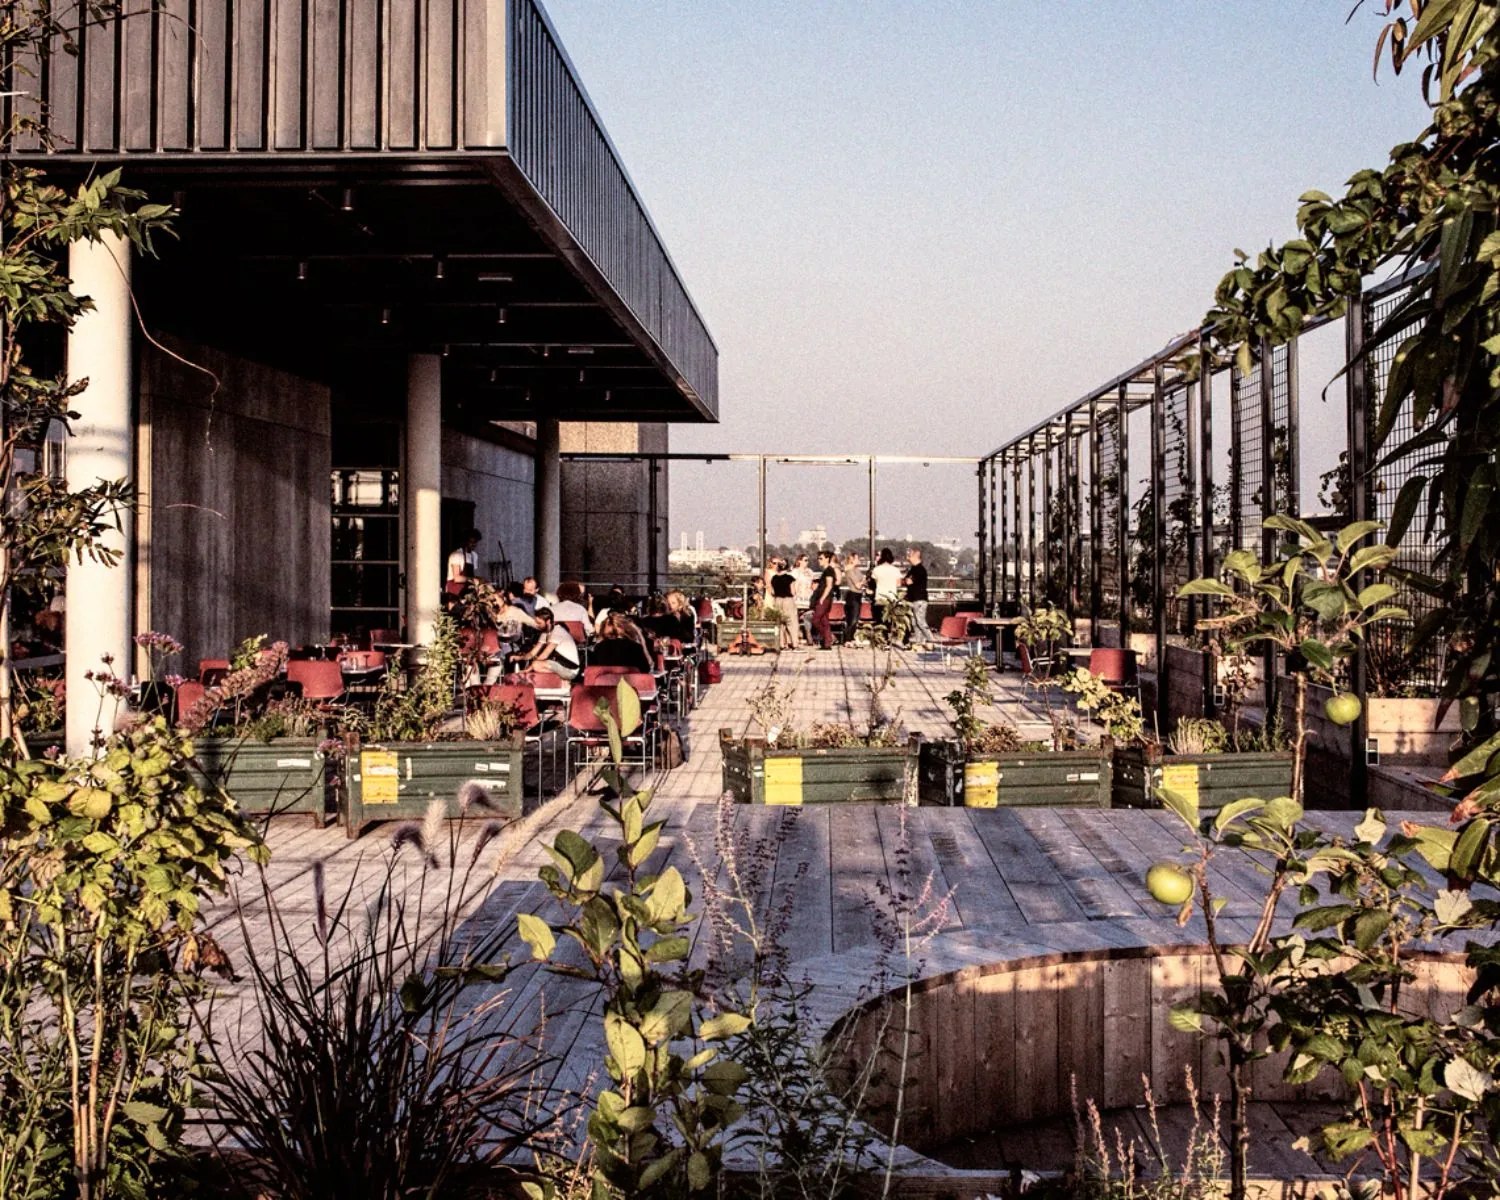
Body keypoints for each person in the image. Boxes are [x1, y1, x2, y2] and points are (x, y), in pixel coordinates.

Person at [517, 608, 580, 682]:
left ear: (548, 621)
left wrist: (528, 670)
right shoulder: (545, 633)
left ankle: (563, 680)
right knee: (536, 664)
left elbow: (545, 655)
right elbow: (532, 653)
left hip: (570, 669)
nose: (537, 625)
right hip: (558, 664)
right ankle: (561, 680)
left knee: (536, 665)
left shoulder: (557, 631)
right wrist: (519, 658)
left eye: (539, 623)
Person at [591, 612, 655, 672]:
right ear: (625, 628)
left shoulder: (598, 648)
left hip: (606, 680)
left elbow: (593, 670)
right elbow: (645, 669)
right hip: (629, 680)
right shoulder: (635, 647)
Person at [903, 546, 934, 646]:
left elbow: (908, 581)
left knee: (920, 621)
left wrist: (906, 581)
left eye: (910, 555)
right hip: (913, 599)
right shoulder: (912, 569)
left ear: (917, 555)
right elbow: (905, 580)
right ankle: (919, 642)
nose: (908, 557)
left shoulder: (920, 570)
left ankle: (932, 640)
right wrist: (906, 581)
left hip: (919, 599)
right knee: (914, 622)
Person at [808, 550, 839, 650]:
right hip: (824, 599)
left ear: (827, 559)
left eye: (821, 558)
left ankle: (828, 637)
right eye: (818, 558)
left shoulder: (829, 570)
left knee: (815, 620)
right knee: (824, 621)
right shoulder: (826, 571)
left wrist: (822, 598)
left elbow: (829, 586)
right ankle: (827, 644)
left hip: (824, 599)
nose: (819, 560)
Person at [445, 529, 481, 609]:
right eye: (471, 542)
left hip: (467, 592)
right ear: (466, 542)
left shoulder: (474, 556)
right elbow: (457, 578)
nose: (473, 544)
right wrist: (472, 579)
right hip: (454, 592)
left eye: (475, 542)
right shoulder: (457, 555)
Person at [769, 558, 798, 650]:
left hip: (777, 600)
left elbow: (772, 592)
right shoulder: (790, 578)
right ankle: (795, 644)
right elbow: (793, 592)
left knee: (780, 623)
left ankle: (781, 644)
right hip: (788, 600)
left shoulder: (773, 578)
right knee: (792, 623)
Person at [869, 548, 903, 627]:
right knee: (890, 623)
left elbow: (875, 583)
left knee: (879, 622)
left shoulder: (876, 570)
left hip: (879, 598)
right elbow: (898, 584)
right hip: (892, 599)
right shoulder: (896, 570)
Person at [840, 551, 866, 646]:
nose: (859, 560)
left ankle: (851, 638)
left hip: (858, 595)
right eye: (857, 558)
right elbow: (858, 585)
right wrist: (863, 581)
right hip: (853, 595)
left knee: (855, 618)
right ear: (852, 559)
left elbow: (863, 582)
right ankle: (848, 638)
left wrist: (863, 581)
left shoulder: (856, 570)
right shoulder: (850, 571)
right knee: (853, 619)